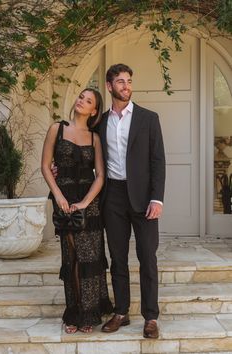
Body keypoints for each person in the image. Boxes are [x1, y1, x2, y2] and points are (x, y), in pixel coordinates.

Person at [99, 63, 165, 339]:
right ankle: (121, 312)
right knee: (118, 258)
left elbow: (158, 161)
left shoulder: (148, 118)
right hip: (112, 196)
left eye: (128, 81)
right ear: (110, 86)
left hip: (142, 197)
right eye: (120, 82)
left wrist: (157, 198)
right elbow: (86, 153)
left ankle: (150, 317)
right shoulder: (100, 122)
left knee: (147, 257)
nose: (126, 86)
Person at [41, 88, 113, 334]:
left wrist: (84, 203)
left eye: (88, 100)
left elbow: (101, 175)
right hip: (64, 200)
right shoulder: (56, 129)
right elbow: (44, 166)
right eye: (81, 97)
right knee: (71, 257)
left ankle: (90, 314)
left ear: (94, 111)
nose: (81, 101)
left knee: (90, 259)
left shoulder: (94, 138)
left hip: (88, 203)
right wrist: (59, 196)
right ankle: (74, 313)